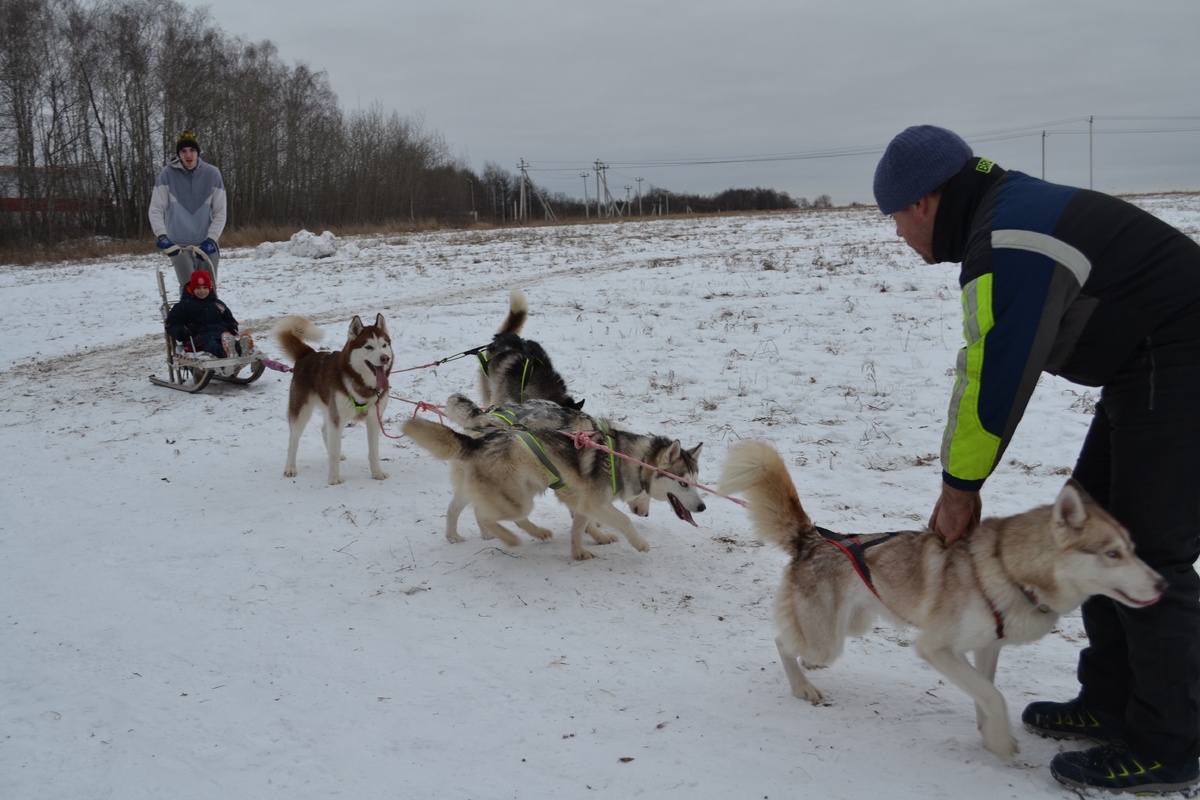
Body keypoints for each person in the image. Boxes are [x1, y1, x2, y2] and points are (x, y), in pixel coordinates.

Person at [873, 124, 1200, 793]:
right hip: (1146, 366)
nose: (899, 236)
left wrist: (959, 487)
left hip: (1181, 358)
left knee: (1149, 552)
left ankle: (1168, 744)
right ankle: (1112, 700)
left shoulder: (1007, 239)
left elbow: (993, 371)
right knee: (1088, 533)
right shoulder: (1004, 214)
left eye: (895, 219)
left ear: (923, 202)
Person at [149, 129, 227, 294]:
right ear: (178, 154)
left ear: (197, 152)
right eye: (183, 151)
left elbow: (220, 212)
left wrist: (212, 238)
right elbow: (155, 209)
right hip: (178, 244)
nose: (188, 155)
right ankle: (186, 320)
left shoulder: (212, 174)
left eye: (192, 150)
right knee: (188, 289)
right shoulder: (167, 175)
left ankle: (211, 320)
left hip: (206, 243)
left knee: (208, 290)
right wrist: (162, 236)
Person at [165, 270, 253, 360]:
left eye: (205, 287)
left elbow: (229, 319)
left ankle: (241, 347)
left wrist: (232, 326)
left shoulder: (217, 304)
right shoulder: (184, 305)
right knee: (212, 345)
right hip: (199, 339)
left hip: (221, 335)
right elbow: (171, 324)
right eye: (198, 288)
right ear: (192, 289)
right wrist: (182, 333)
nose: (202, 291)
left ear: (210, 288)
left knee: (229, 342)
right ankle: (224, 353)